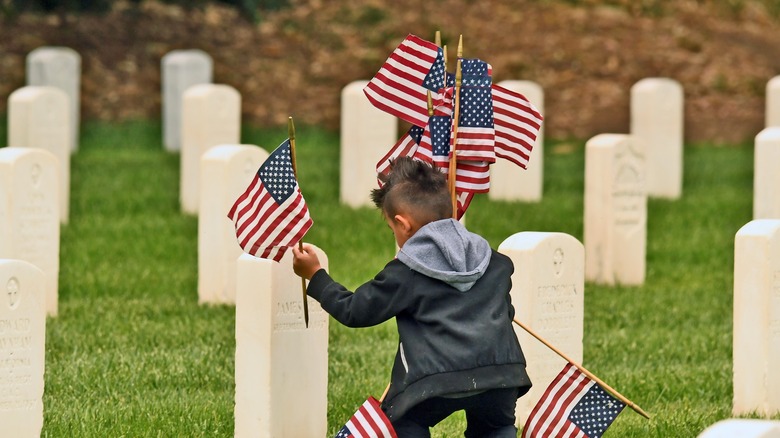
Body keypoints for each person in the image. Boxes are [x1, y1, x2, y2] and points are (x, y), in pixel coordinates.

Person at [292, 157, 531, 438]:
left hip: (434, 382)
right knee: (497, 428)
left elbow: (356, 311)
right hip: (501, 376)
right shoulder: (495, 262)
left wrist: (317, 276)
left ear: (402, 224)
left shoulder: (405, 273)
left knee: (403, 422)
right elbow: (507, 313)